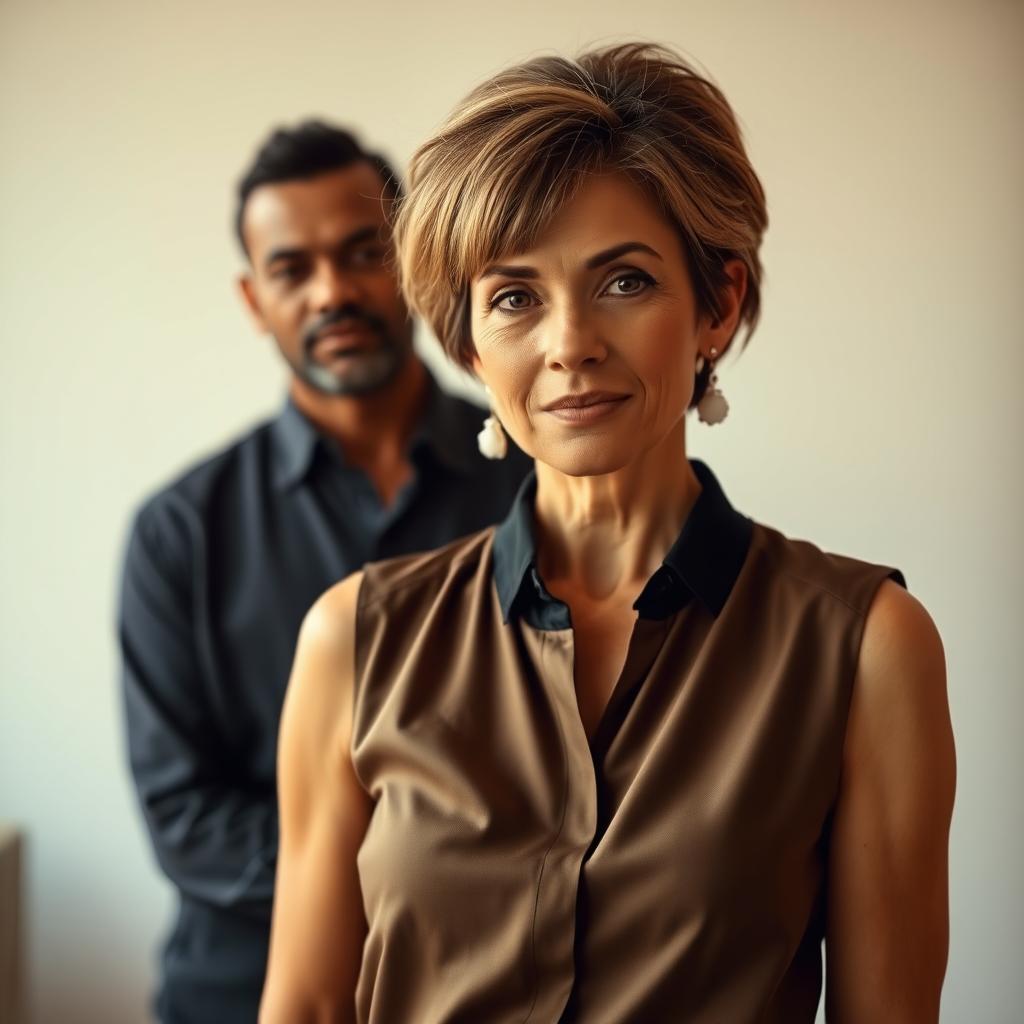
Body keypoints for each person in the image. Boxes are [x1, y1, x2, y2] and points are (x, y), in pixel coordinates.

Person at [260, 48, 956, 1024]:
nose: (569, 340)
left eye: (624, 281)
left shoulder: (867, 647)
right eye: (513, 297)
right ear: (467, 341)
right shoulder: (355, 639)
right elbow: (306, 1005)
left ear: (717, 303)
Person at [118, 121, 531, 1024]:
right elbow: (184, 817)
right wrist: (402, 868)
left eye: (362, 253)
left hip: (496, 991)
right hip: (238, 994)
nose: (332, 292)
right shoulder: (178, 534)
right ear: (252, 298)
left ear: (416, 262)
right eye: (291, 269)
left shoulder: (540, 480)